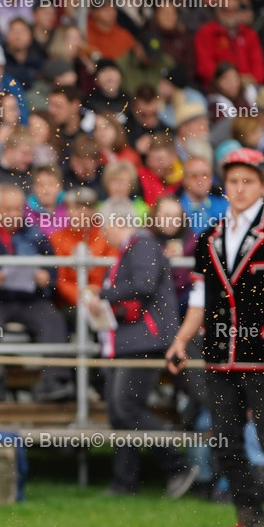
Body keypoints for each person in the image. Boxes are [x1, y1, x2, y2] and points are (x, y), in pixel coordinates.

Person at [166, 148, 264, 527]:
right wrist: (181, 340)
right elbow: (199, 298)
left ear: (263, 185)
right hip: (219, 353)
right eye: (233, 181)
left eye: (248, 181)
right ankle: (251, 519)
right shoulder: (209, 236)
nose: (240, 188)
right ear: (224, 186)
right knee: (225, 442)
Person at [91, 204, 198, 498]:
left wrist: (102, 295)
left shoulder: (143, 245)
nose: (101, 232)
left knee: (127, 408)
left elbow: (144, 286)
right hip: (130, 340)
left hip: (144, 341)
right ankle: (125, 482)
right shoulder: (134, 248)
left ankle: (177, 463)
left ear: (117, 221)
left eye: (103, 225)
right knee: (119, 411)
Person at [0, 182, 74, 402]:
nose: (14, 215)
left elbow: (53, 266)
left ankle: (55, 383)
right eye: (8, 209)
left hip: (28, 298)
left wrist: (46, 277)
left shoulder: (35, 233)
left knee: (53, 321)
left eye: (18, 209)